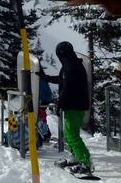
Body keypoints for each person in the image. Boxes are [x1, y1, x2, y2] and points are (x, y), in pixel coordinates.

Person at [40, 41, 93, 175]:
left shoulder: (71, 66)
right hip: (74, 105)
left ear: (61, 54)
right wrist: (46, 78)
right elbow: (63, 80)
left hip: (74, 106)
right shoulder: (72, 64)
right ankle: (75, 157)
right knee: (69, 134)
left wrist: (60, 104)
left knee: (72, 135)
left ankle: (85, 162)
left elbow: (67, 87)